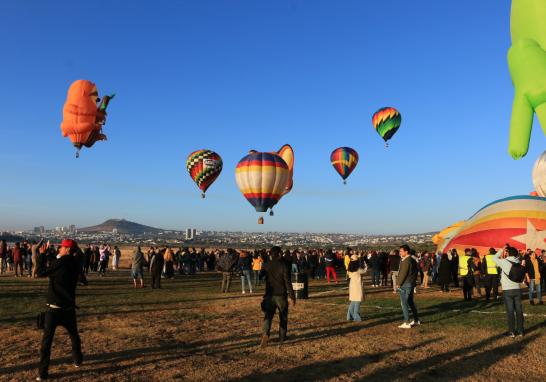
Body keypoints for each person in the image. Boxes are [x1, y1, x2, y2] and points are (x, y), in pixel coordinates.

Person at [37, 239, 83, 381]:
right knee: (74, 335)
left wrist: (42, 255)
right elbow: (58, 263)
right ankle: (77, 360)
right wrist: (50, 256)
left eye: (62, 247)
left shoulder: (60, 263)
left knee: (47, 342)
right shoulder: (76, 264)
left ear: (68, 249)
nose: (59, 249)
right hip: (68, 308)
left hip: (54, 309)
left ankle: (43, 373)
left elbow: (41, 272)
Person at [260, 246, 296, 348]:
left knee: (268, 316)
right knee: (283, 317)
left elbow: (260, 276)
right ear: (279, 254)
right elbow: (288, 282)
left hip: (269, 295)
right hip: (281, 295)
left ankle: (265, 334)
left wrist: (265, 269)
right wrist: (292, 296)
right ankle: (282, 336)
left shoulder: (266, 265)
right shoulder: (283, 266)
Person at [493, 247, 525, 337]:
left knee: (510, 311)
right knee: (519, 311)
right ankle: (521, 331)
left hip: (507, 289)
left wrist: (501, 250)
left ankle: (511, 331)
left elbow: (494, 258)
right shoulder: (518, 262)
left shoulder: (504, 262)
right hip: (517, 288)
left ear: (507, 253)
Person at [396, 245, 420, 329]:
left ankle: (406, 322)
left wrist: (398, 283)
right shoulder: (413, 260)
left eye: (401, 251)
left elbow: (403, 273)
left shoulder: (406, 261)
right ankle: (416, 320)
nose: (400, 253)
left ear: (406, 252)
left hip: (405, 284)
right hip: (410, 283)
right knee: (410, 302)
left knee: (404, 303)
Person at [347, 255, 367, 321]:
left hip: (352, 285)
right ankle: (356, 316)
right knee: (357, 301)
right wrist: (365, 263)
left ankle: (349, 316)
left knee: (353, 301)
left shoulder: (349, 268)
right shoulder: (358, 269)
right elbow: (365, 271)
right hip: (357, 286)